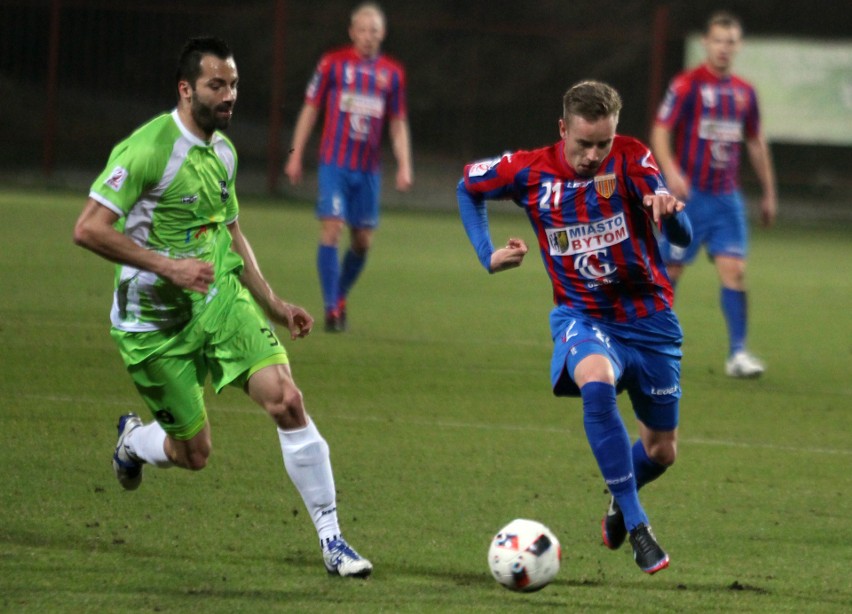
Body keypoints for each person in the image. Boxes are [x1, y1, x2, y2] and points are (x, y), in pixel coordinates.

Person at [72, 36, 372, 578]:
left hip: (218, 300)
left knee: (286, 400)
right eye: (217, 85)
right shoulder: (147, 149)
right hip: (153, 325)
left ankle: (333, 540)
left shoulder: (224, 153)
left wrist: (274, 301)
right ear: (186, 90)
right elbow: (88, 229)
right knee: (194, 454)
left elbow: (230, 231)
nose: (229, 94)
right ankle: (134, 443)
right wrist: (169, 267)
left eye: (233, 84)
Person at [457, 81, 693, 575]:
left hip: (649, 322)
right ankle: (637, 525)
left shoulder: (632, 159)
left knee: (662, 451)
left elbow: (680, 232)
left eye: (602, 143)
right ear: (563, 129)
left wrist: (669, 215)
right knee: (597, 381)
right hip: (582, 316)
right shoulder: (527, 170)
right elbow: (468, 187)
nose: (592, 155)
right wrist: (487, 255)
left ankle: (617, 500)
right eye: (583, 143)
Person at [650, 11, 777, 378]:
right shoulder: (687, 85)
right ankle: (646, 343)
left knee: (735, 271)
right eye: (718, 40)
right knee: (668, 273)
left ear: (739, 46)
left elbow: (755, 141)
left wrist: (769, 192)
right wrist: (672, 172)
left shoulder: (744, 92)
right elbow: (661, 132)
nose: (724, 47)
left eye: (731, 41)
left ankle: (738, 354)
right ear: (706, 43)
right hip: (689, 199)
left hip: (726, 199)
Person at [284, 2, 413, 332]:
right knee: (331, 229)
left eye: (375, 30)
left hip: (368, 170)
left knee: (363, 242)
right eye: (363, 30)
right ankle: (331, 309)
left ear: (382, 34)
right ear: (352, 32)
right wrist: (295, 153)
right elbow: (310, 109)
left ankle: (338, 293)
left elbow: (398, 122)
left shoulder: (392, 73)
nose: (369, 36)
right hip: (334, 164)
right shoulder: (332, 64)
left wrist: (404, 164)